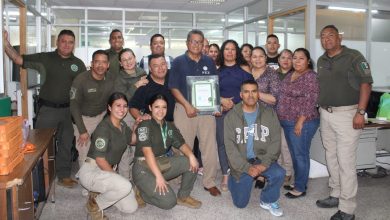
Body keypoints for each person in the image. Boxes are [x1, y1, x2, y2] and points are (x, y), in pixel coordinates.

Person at [3, 29, 86, 188]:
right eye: (63, 41)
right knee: (41, 144)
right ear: (57, 42)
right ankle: (39, 177)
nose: (67, 45)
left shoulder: (78, 64)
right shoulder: (46, 58)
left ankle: (63, 175)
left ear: (74, 45)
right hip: (48, 110)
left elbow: (84, 85)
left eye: (70, 42)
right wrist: (5, 43)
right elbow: (19, 59)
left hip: (69, 111)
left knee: (66, 144)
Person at [316, 25, 373, 220]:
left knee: (345, 161)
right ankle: (335, 193)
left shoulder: (354, 56)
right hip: (326, 114)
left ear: (339, 37)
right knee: (331, 156)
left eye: (330, 36)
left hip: (348, 115)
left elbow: (366, 84)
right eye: (323, 37)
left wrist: (361, 112)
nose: (326, 40)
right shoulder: (321, 60)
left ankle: (347, 208)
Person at [168, 29, 221, 196]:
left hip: (206, 112)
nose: (196, 45)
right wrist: (186, 105)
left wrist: (216, 105)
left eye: (200, 42)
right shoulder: (178, 61)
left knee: (209, 146)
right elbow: (173, 87)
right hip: (184, 110)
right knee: (183, 146)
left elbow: (214, 86)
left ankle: (209, 181)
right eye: (193, 41)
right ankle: (179, 178)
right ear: (187, 43)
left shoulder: (209, 61)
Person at [224, 80, 285, 217]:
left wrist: (264, 165)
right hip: (241, 162)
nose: (250, 95)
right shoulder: (231, 116)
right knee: (240, 204)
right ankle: (233, 179)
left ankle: (268, 199)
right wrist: (246, 168)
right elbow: (230, 148)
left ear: (258, 94)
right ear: (241, 95)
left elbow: (275, 142)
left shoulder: (270, 114)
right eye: (246, 92)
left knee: (279, 173)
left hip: (261, 159)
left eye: (254, 91)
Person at [132, 94, 202, 210]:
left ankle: (183, 196)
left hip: (161, 163)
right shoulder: (145, 124)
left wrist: (192, 156)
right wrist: (159, 177)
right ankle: (141, 191)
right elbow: (147, 153)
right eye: (157, 107)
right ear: (150, 108)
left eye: (164, 107)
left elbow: (182, 144)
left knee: (191, 162)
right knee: (169, 202)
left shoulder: (169, 126)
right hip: (143, 167)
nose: (160, 111)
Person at [78, 92, 138, 219]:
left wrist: (137, 126)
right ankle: (94, 205)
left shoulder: (122, 125)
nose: (122, 109)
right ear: (109, 108)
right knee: (125, 185)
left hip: (105, 172)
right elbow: (100, 160)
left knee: (131, 208)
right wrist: (117, 178)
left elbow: (132, 141)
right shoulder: (104, 128)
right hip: (92, 171)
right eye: (118, 105)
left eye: (125, 106)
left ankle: (97, 193)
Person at [277, 48, 320, 199]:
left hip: (302, 122)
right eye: (295, 58)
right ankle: (298, 182)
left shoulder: (310, 77)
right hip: (287, 122)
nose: (296, 61)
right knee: (295, 155)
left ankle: (300, 187)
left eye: (301, 58)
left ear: (308, 61)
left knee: (300, 155)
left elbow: (310, 100)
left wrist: (300, 122)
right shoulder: (291, 74)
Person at [215, 39, 253, 191]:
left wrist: (233, 102)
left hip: (240, 113)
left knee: (240, 144)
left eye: (232, 49)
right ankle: (225, 174)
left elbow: (250, 94)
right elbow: (210, 93)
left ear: (236, 52)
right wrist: (221, 102)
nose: (229, 52)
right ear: (222, 52)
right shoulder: (215, 73)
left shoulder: (245, 73)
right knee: (222, 143)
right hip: (221, 113)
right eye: (226, 49)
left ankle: (239, 173)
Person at [70, 50, 115, 169]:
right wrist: (82, 130)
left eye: (104, 62)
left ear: (108, 65)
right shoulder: (81, 79)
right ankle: (85, 185)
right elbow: (74, 105)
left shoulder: (111, 78)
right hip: (84, 118)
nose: (100, 65)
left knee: (106, 148)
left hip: (103, 115)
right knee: (84, 150)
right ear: (92, 63)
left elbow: (116, 99)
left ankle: (103, 178)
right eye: (97, 62)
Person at [129, 54, 175, 122]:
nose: (160, 68)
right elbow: (133, 107)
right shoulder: (145, 85)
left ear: (167, 65)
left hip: (178, 121)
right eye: (156, 66)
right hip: (156, 125)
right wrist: (140, 117)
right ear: (150, 69)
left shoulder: (174, 76)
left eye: (163, 64)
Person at [275, 49, 294, 188]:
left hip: (290, 117)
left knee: (285, 146)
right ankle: (279, 171)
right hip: (274, 115)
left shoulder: (296, 75)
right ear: (278, 60)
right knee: (276, 146)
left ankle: (288, 172)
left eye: (289, 58)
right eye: (283, 57)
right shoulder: (273, 75)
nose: (286, 60)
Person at [114, 48, 148, 126]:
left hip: (143, 110)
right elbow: (121, 100)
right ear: (120, 63)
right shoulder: (118, 78)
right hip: (127, 112)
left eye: (130, 58)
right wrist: (136, 85)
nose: (128, 62)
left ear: (135, 58)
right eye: (124, 60)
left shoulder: (142, 72)